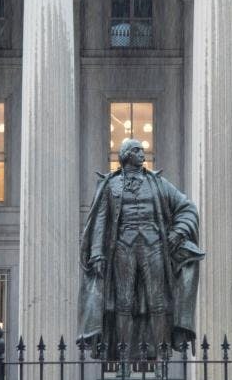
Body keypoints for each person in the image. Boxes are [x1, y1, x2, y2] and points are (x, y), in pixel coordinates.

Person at [78, 138, 204, 362]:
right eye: (137, 150)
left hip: (154, 246)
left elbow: (187, 207)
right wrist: (97, 252)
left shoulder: (158, 183)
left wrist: (178, 231)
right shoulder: (110, 185)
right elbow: (100, 220)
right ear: (126, 155)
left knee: (159, 302)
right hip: (123, 249)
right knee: (123, 303)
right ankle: (123, 358)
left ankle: (162, 358)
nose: (142, 154)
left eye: (142, 151)